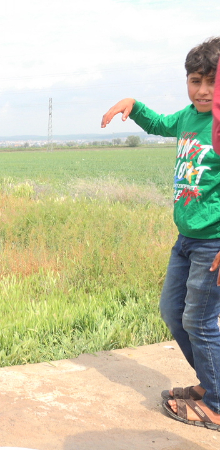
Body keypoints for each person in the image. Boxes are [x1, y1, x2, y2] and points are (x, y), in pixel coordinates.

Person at [101, 36, 220, 430]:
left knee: (199, 322)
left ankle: (216, 403)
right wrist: (133, 106)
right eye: (195, 80)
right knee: (173, 313)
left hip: (214, 242)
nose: (203, 90)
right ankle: (211, 383)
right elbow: (159, 123)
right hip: (186, 240)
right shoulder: (188, 117)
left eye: (212, 82)